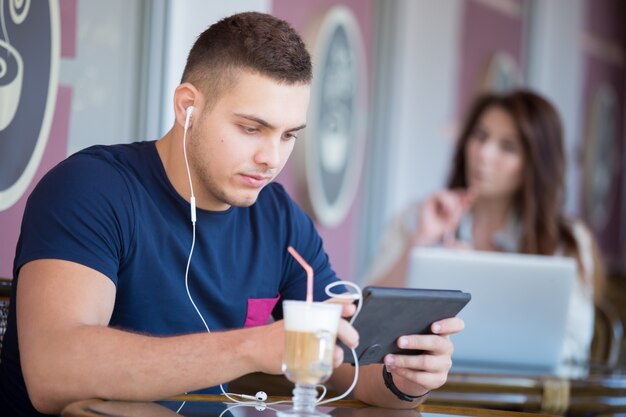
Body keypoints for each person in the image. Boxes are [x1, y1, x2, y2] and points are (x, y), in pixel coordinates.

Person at [0, 12, 463, 416]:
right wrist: (252, 348)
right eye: (251, 128)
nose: (271, 158)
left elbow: (353, 370)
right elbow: (55, 373)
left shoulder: (281, 221)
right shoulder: (91, 189)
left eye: (288, 136)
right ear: (188, 107)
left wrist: (405, 380)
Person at [367, 89, 604, 366]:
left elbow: (573, 345)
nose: (484, 154)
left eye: (508, 147)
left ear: (536, 163)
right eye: (480, 136)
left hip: (523, 400)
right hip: (423, 388)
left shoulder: (567, 240)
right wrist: (420, 241)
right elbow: (365, 313)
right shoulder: (418, 217)